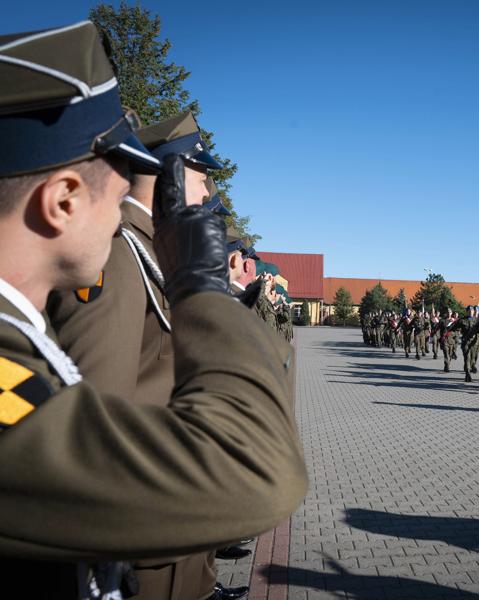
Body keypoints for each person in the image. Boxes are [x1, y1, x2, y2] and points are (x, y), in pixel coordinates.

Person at [0, 22, 306, 599]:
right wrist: (201, 287)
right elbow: (254, 471)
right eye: (117, 189)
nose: (129, 201)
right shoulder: (119, 263)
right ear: (62, 200)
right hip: (151, 522)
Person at [47, 110, 247, 600]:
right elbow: (99, 416)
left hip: (178, 506)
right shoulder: (119, 257)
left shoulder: (159, 253)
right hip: (146, 524)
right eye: (201, 181)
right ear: (171, 180)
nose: (207, 198)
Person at [439, 308, 458, 372]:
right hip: (444, 340)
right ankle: (447, 365)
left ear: (451, 313)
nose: (449, 313)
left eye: (450, 312)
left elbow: (457, 330)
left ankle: (447, 364)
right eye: (448, 312)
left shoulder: (454, 321)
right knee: (446, 354)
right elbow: (439, 329)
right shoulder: (442, 321)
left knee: (450, 354)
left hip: (451, 339)